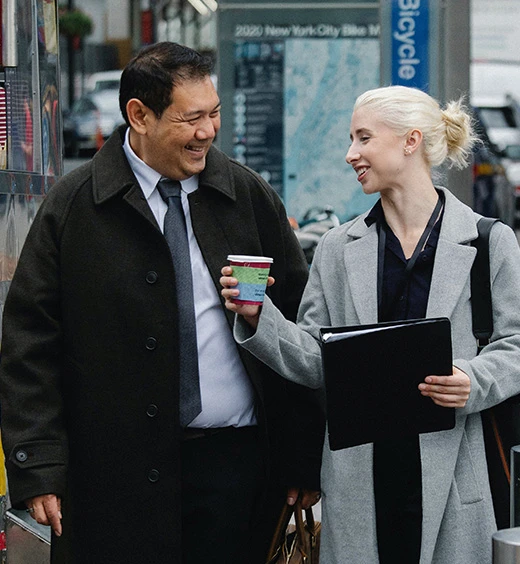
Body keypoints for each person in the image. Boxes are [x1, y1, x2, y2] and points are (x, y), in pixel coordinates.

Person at [0, 42, 323, 564]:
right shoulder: (75, 207)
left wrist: (303, 458)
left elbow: (300, 328)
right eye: (191, 118)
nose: (208, 131)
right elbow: (29, 344)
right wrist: (38, 465)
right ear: (139, 116)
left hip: (236, 475)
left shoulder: (248, 197)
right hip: (112, 480)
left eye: (214, 113)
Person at [221, 85, 520, 563]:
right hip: (359, 479)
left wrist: (472, 379)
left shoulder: (488, 241)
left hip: (455, 475)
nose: (350, 154)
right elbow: (316, 360)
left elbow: (516, 344)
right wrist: (260, 316)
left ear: (410, 141)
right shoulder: (338, 247)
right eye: (351, 140)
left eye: (363, 138)